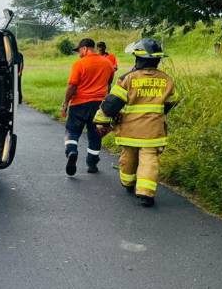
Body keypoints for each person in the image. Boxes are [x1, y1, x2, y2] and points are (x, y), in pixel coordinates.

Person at [93, 38, 178, 207]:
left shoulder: (127, 79)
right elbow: (172, 101)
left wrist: (101, 121)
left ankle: (128, 183)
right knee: (149, 160)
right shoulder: (167, 80)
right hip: (153, 131)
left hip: (130, 131)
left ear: (138, 58)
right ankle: (146, 193)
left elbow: (111, 104)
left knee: (128, 157)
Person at [61, 38, 115, 175]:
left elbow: (72, 86)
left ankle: (72, 151)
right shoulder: (108, 63)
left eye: (79, 50)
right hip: (99, 105)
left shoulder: (79, 64)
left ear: (84, 48)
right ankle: (92, 164)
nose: (79, 54)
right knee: (95, 134)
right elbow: (109, 83)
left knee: (72, 131)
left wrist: (66, 103)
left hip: (79, 104)